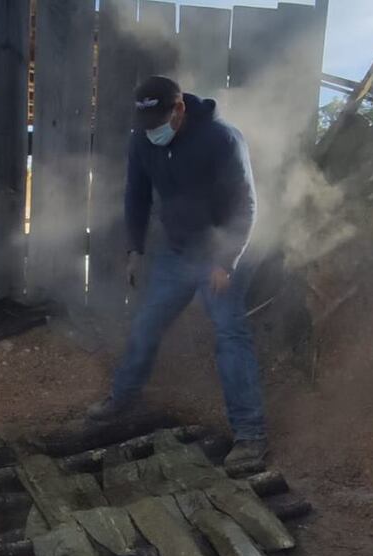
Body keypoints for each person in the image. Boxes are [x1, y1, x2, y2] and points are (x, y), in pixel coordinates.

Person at [88, 76, 268, 467]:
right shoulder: (142, 139)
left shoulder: (222, 139)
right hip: (177, 253)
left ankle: (250, 434)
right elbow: (135, 195)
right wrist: (135, 248)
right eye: (146, 123)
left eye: (158, 121)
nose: (152, 131)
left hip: (222, 251)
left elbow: (246, 206)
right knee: (147, 323)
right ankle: (123, 397)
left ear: (180, 108)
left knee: (229, 334)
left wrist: (226, 262)